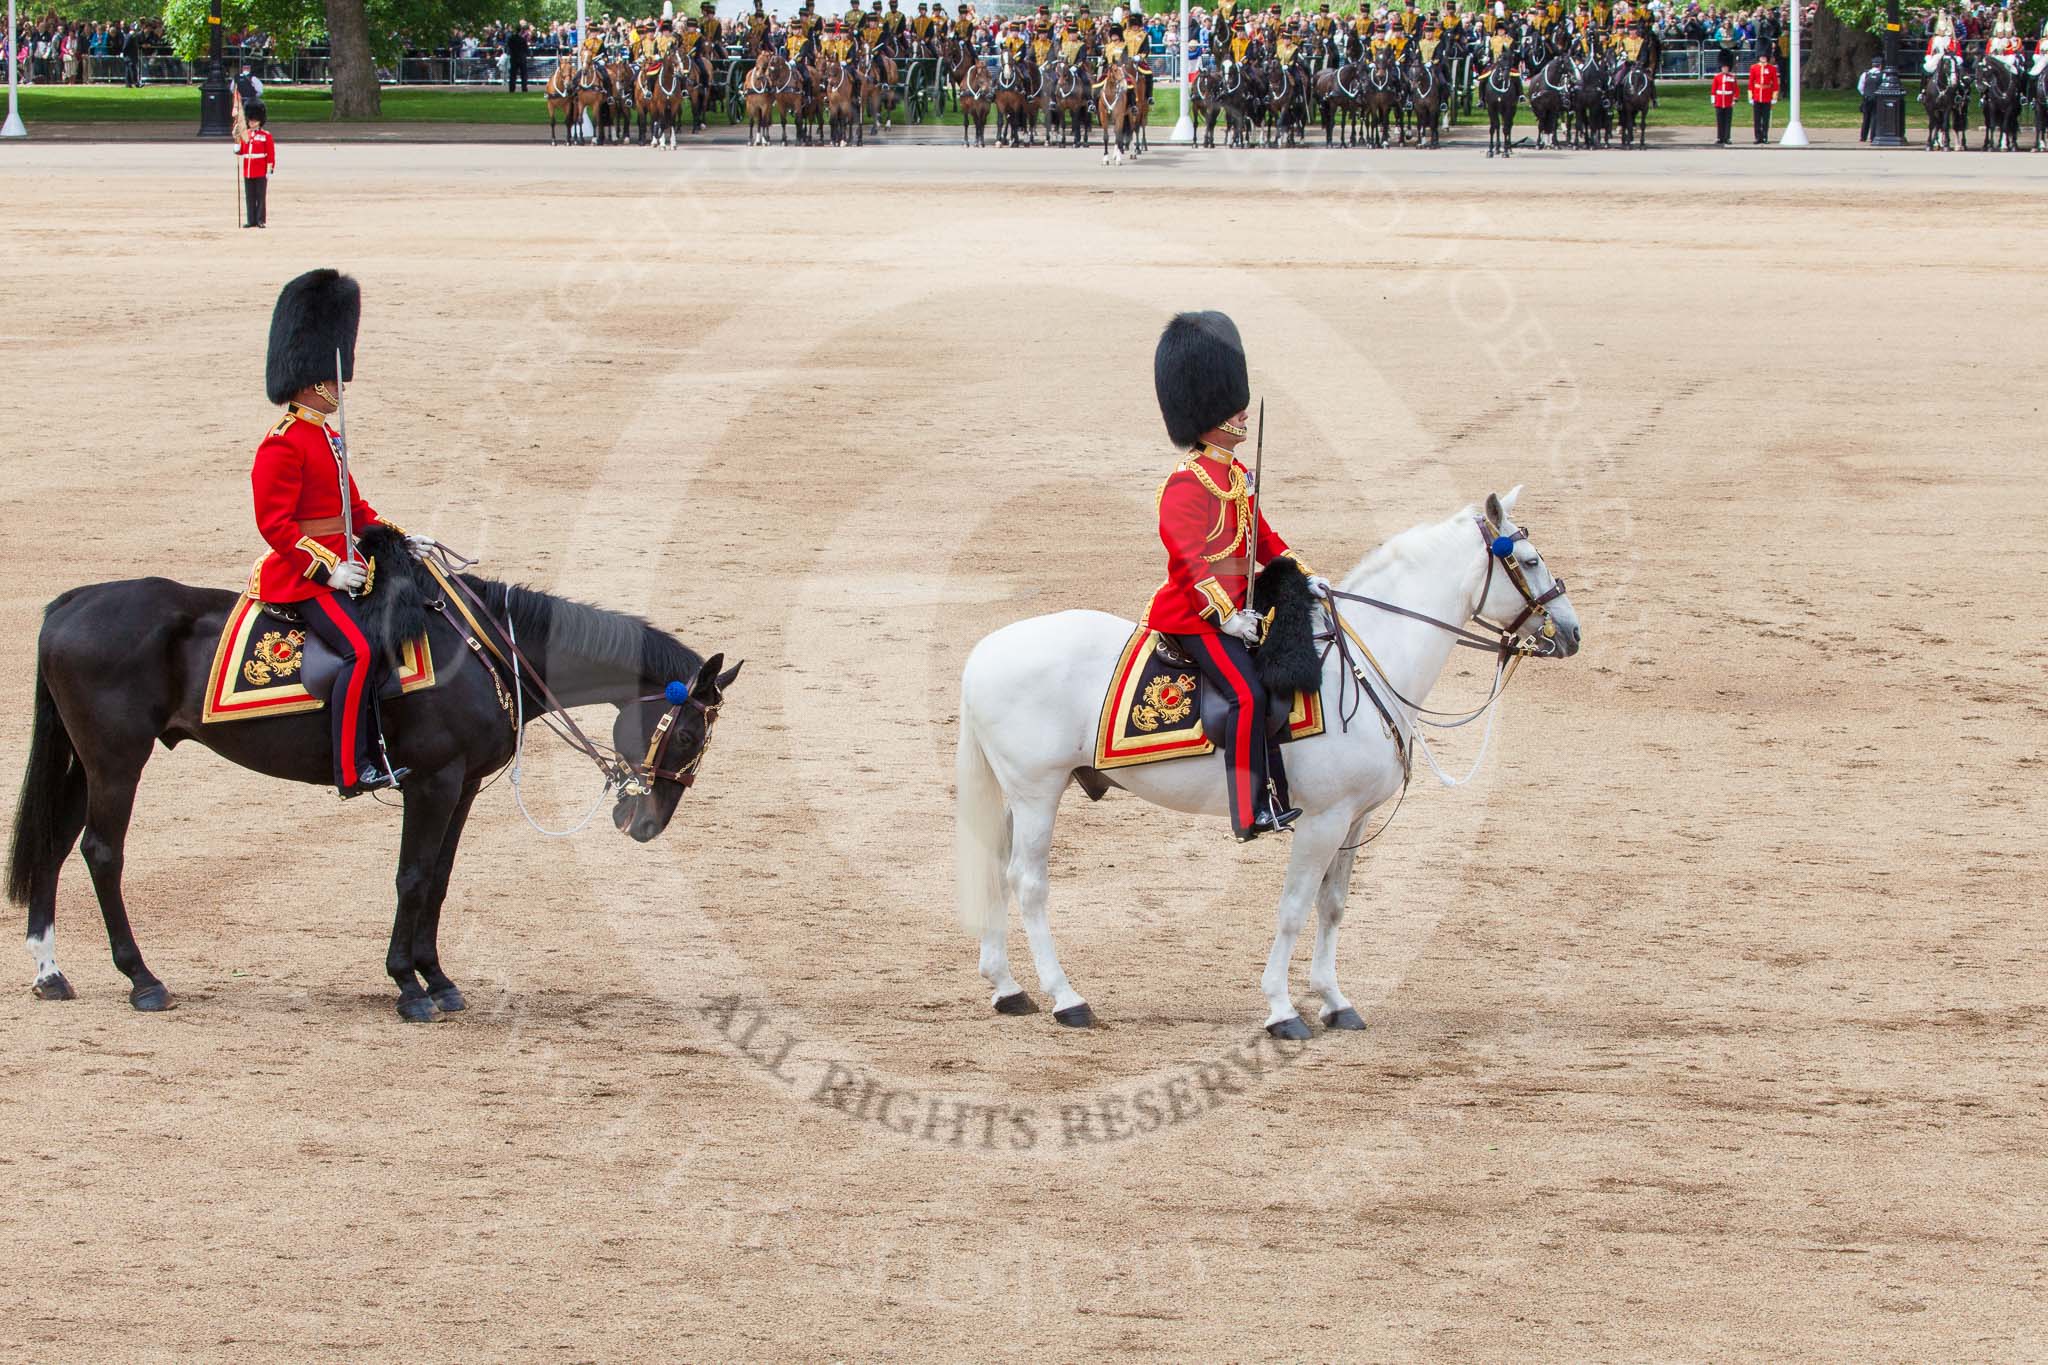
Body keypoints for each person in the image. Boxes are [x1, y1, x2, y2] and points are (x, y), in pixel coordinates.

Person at [1143, 312, 1327, 843]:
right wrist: (1225, 617)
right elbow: (1188, 561)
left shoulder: (1237, 475)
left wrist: (1301, 573)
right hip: (1193, 617)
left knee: (1271, 686)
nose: (1242, 415)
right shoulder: (1185, 483)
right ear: (1208, 414)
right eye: (1232, 408)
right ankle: (1249, 811)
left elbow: (1262, 537)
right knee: (1246, 695)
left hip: (1243, 609)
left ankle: (1279, 795)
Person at [253, 270, 425, 799]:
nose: (340, 389)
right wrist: (327, 568)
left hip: (347, 559)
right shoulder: (283, 443)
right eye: (334, 381)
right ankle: (352, 768)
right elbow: (275, 524)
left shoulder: (324, 436)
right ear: (310, 380)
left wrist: (400, 538)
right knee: (361, 651)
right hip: (301, 578)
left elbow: (355, 505)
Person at [233, 98, 275, 227]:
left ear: (260, 120)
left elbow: (270, 154)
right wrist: (237, 146)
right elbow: (242, 151)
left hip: (261, 169)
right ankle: (251, 220)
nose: (252, 122)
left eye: (254, 120)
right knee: (250, 196)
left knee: (260, 197)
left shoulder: (266, 135)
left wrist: (270, 169)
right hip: (248, 169)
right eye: (250, 120)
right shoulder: (245, 135)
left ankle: (260, 220)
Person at [1746, 41, 1777, 141]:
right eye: (1761, 56)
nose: (1763, 58)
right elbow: (1751, 83)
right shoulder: (1754, 68)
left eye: (1764, 56)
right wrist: (1750, 96)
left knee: (1766, 118)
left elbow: (1775, 84)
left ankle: (1765, 136)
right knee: (1757, 119)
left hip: (1767, 95)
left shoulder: (1772, 68)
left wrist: (1774, 97)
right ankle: (1757, 137)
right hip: (1756, 95)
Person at [1709, 44, 1736, 143]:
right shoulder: (1717, 77)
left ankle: (1727, 137)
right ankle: (1720, 137)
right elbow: (1713, 89)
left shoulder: (1732, 77)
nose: (1725, 69)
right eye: (1723, 67)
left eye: (1726, 67)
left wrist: (1734, 99)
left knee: (1728, 121)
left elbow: (1735, 90)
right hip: (1719, 101)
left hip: (1728, 101)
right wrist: (1713, 100)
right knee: (1719, 121)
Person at [1856, 51, 1882, 139]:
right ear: (1880, 65)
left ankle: (1863, 136)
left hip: (1866, 98)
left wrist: (1865, 94)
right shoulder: (1882, 75)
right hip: (1877, 98)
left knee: (1866, 117)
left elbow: (1860, 87)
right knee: (1875, 117)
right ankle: (1873, 136)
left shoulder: (1865, 74)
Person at [506, 21, 531, 91]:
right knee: (523, 74)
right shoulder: (522, 39)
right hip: (522, 58)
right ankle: (524, 88)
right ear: (520, 30)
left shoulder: (511, 39)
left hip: (514, 58)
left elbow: (509, 47)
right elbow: (526, 49)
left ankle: (512, 88)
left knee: (513, 74)